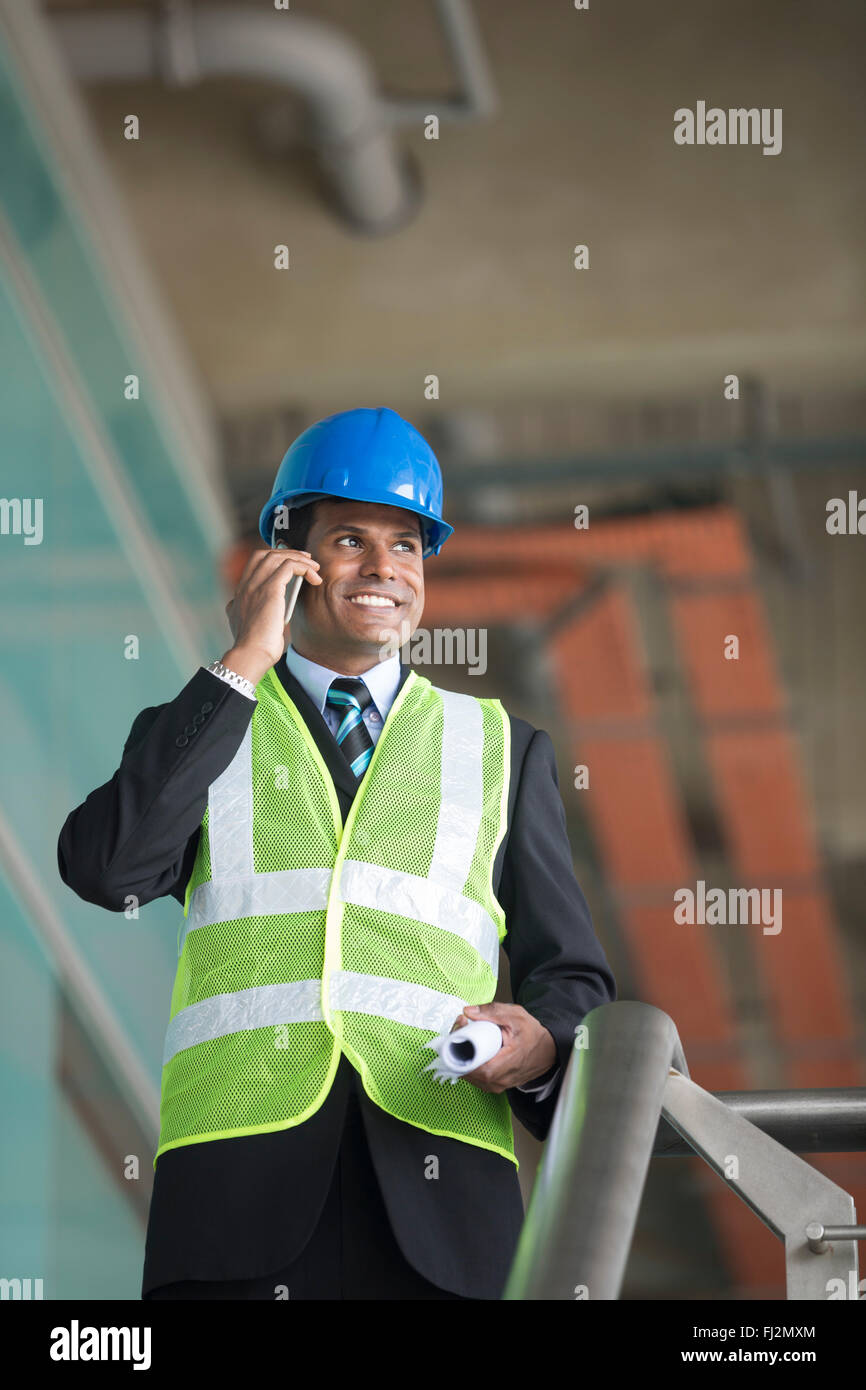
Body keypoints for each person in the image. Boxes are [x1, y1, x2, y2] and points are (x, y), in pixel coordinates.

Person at [57, 406, 616, 1300]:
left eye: (407, 544)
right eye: (350, 538)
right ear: (288, 558)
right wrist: (244, 659)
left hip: (443, 1203)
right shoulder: (206, 725)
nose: (385, 568)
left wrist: (541, 1044)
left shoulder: (500, 747)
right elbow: (106, 868)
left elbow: (573, 976)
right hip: (236, 1199)